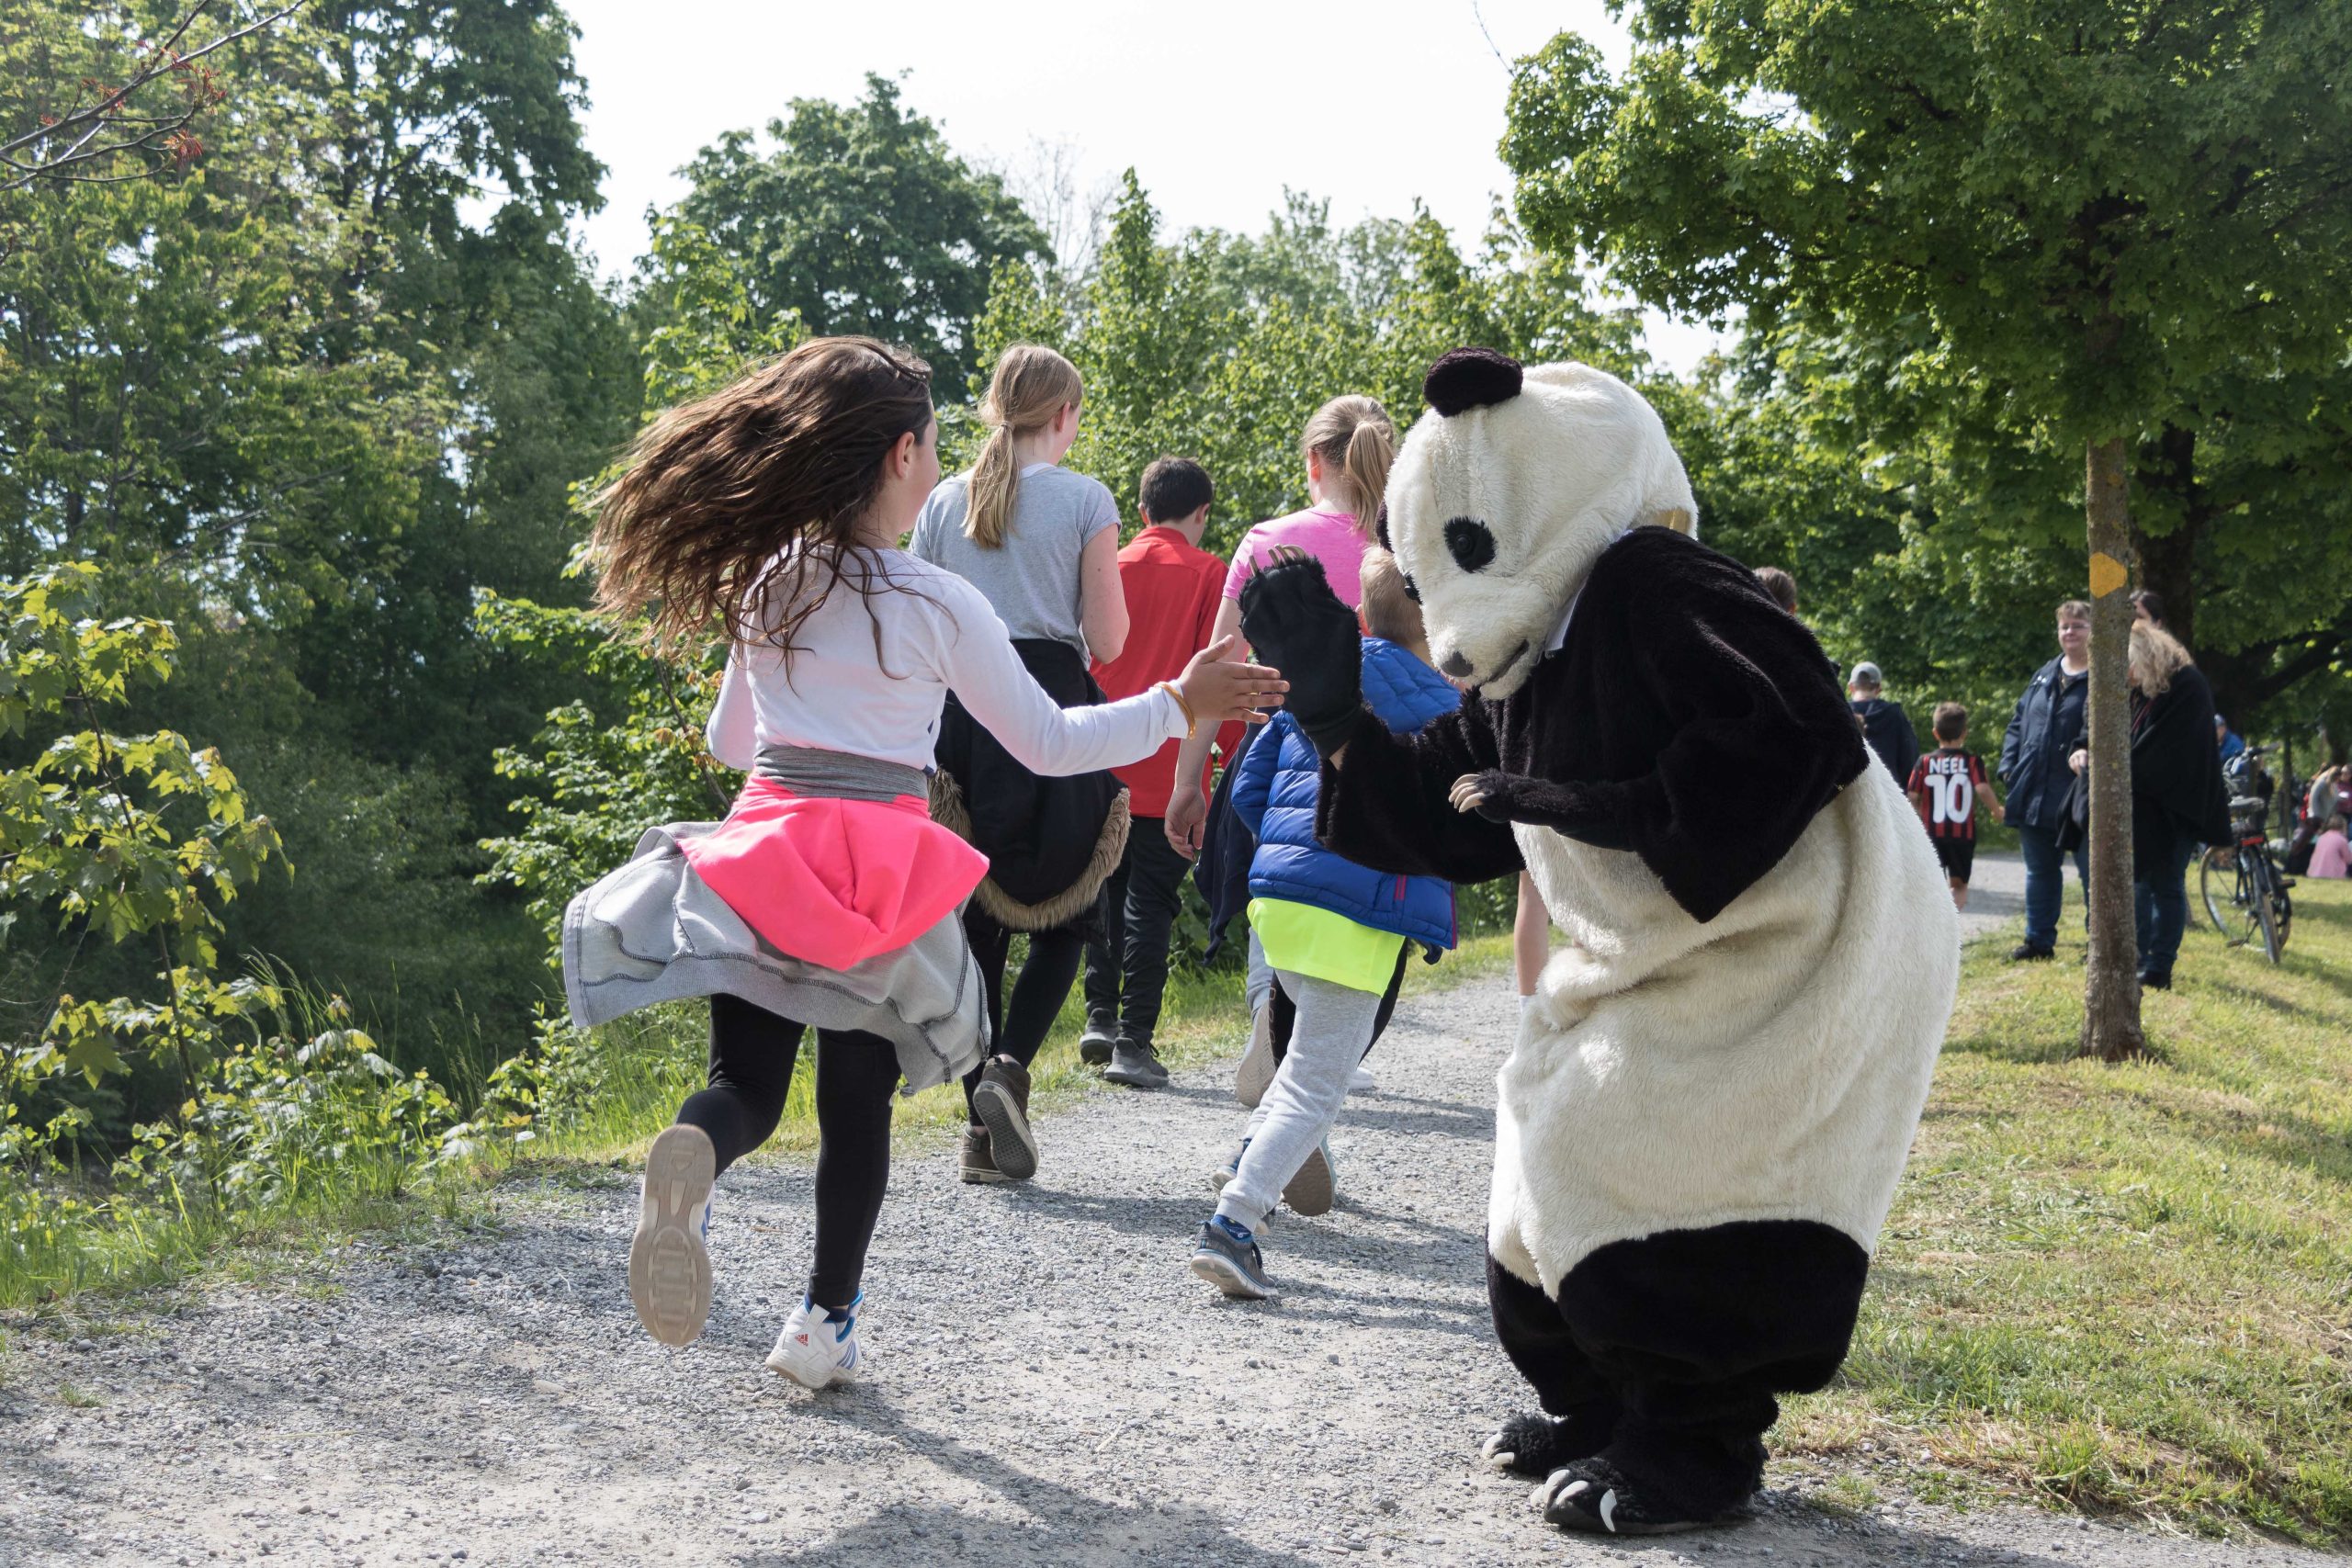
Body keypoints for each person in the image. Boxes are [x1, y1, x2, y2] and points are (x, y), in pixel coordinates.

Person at [560, 336, 1282, 1384]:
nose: (942, 467)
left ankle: (696, 1160)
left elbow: (730, 743)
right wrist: (1179, 704)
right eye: (933, 449)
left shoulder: (771, 581)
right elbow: (1051, 742)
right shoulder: (936, 602)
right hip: (875, 871)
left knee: (745, 1091)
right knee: (856, 1106)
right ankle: (822, 1325)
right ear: (899, 456)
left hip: (762, 848)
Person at [1190, 547, 1458, 1301]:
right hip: (1356, 914)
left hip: (1280, 902)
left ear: (1363, 616)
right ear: (1438, 620)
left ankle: (1253, 1156)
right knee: (1316, 1083)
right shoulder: (1443, 702)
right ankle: (1232, 1225)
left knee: (1302, 1063)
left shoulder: (1319, 680)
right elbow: (1445, 829)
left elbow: (1246, 784)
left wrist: (1281, 859)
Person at [910, 344, 1132, 1185]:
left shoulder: (940, 500)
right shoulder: (1085, 498)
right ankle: (1007, 1069)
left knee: (976, 918)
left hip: (963, 711)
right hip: (1052, 707)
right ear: (1065, 417)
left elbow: (921, 624)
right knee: (1068, 907)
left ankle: (979, 1118)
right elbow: (1108, 641)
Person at [1159, 394, 1396, 1100]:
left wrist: (1188, 780)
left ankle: (1269, 1010)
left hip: (1277, 747)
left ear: (1312, 462)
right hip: (1382, 754)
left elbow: (1218, 669)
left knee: (1280, 891)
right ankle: (1308, 1082)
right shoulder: (1412, 545)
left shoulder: (1266, 541)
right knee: (1377, 923)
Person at [1080, 457, 1238, 1090]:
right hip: (1170, 765)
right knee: (1153, 901)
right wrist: (1215, 761)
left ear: (1142, 511)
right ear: (1201, 513)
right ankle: (1134, 1041)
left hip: (1097, 755)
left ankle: (1097, 1014)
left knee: (1102, 890)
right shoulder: (1209, 574)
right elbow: (1218, 678)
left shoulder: (1106, 564)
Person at [2066, 620, 2231, 990]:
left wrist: (2111, 766)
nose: (2124, 676)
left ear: (2144, 658)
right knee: (2139, 883)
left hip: (2175, 807)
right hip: (2142, 806)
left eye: (2127, 667)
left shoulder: (2185, 685)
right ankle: (2136, 957)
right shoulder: (2139, 690)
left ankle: (2160, 967)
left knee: (2167, 884)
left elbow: (2169, 751)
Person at [1999, 600, 2093, 960]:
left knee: (2091, 875)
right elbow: (2018, 724)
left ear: (2093, 631)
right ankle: (2039, 942)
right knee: (2040, 872)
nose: (2070, 632)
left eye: (2078, 625)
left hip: (2080, 795)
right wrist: (2009, 767)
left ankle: (2096, 945)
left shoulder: (2102, 679)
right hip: (2035, 793)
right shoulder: (2043, 675)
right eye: (2064, 626)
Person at [1905, 703, 2001, 911]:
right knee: (1958, 885)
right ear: (1964, 733)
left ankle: (1936, 920)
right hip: (1962, 836)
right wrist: (1996, 810)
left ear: (1934, 732)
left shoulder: (1924, 762)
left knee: (1933, 881)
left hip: (1931, 833)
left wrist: (1918, 819)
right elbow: (1983, 789)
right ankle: (1954, 921)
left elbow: (1912, 795)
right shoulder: (1973, 762)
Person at [1848, 662, 1920, 784]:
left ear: (1851, 687)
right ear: (1878, 688)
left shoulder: (1841, 714)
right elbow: (1910, 756)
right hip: (1888, 791)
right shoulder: (1895, 715)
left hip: (1849, 792)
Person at [2310, 814, 2351, 879]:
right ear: (2344, 827)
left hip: (2315, 872)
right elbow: (2349, 859)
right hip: (2333, 874)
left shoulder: (2321, 837)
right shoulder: (2341, 839)